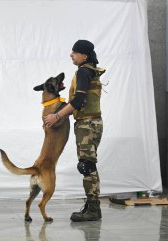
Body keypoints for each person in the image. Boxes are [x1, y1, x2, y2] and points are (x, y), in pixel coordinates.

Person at [44, 40, 105, 222]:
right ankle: (92, 205)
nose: (71, 54)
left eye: (75, 52)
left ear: (84, 56)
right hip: (90, 123)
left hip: (88, 124)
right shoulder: (88, 70)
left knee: (86, 165)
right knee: (88, 164)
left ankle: (93, 210)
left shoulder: (84, 71)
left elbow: (79, 101)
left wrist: (57, 116)